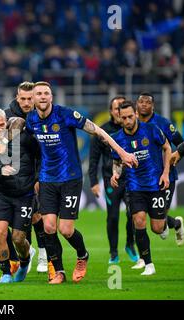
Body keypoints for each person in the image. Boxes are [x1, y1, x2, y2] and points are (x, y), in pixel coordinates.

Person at [25, 81, 138, 284]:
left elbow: (98, 131)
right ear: (33, 98)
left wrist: (122, 152)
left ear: (51, 97)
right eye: (39, 93)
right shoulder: (31, 119)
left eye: (46, 93)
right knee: (48, 227)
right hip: (47, 179)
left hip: (70, 178)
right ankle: (58, 271)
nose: (42, 96)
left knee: (65, 230)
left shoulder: (65, 114)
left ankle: (82, 255)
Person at [0, 109, 40, 284]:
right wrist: (0, 170)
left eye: (1, 125)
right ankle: (5, 272)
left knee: (18, 238)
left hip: (25, 195)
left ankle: (25, 260)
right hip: (1, 195)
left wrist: (37, 178)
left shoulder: (24, 138)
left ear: (6, 123)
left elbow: (41, 157)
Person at [111, 101, 172, 276]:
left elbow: (167, 147)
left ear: (136, 114)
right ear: (119, 118)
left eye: (131, 116)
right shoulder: (117, 138)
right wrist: (115, 174)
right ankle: (148, 264)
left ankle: (166, 224)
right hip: (134, 186)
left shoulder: (151, 130)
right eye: (124, 118)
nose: (128, 121)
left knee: (157, 228)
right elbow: (117, 162)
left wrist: (166, 173)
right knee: (138, 221)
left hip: (155, 184)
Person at [88, 96, 139, 264]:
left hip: (132, 178)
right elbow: (94, 158)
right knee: (113, 217)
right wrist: (93, 181)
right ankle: (113, 253)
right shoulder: (102, 131)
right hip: (112, 180)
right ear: (111, 111)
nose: (119, 111)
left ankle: (130, 244)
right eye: (116, 108)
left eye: (122, 107)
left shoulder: (135, 130)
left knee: (133, 213)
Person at [136, 92, 184, 247]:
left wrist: (175, 158)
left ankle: (175, 223)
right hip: (143, 178)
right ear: (137, 105)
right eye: (141, 101)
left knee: (158, 221)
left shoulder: (163, 123)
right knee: (143, 214)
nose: (144, 104)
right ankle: (171, 223)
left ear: (153, 106)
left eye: (148, 102)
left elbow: (181, 143)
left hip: (165, 177)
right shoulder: (133, 123)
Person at [4, 81, 44, 273]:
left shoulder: (41, 116)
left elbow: (42, 151)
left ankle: (43, 255)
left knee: (37, 216)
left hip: (34, 174)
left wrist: (38, 178)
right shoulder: (7, 116)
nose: (27, 103)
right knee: (15, 219)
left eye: (30, 99)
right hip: (12, 177)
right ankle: (25, 254)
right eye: (23, 99)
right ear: (17, 97)